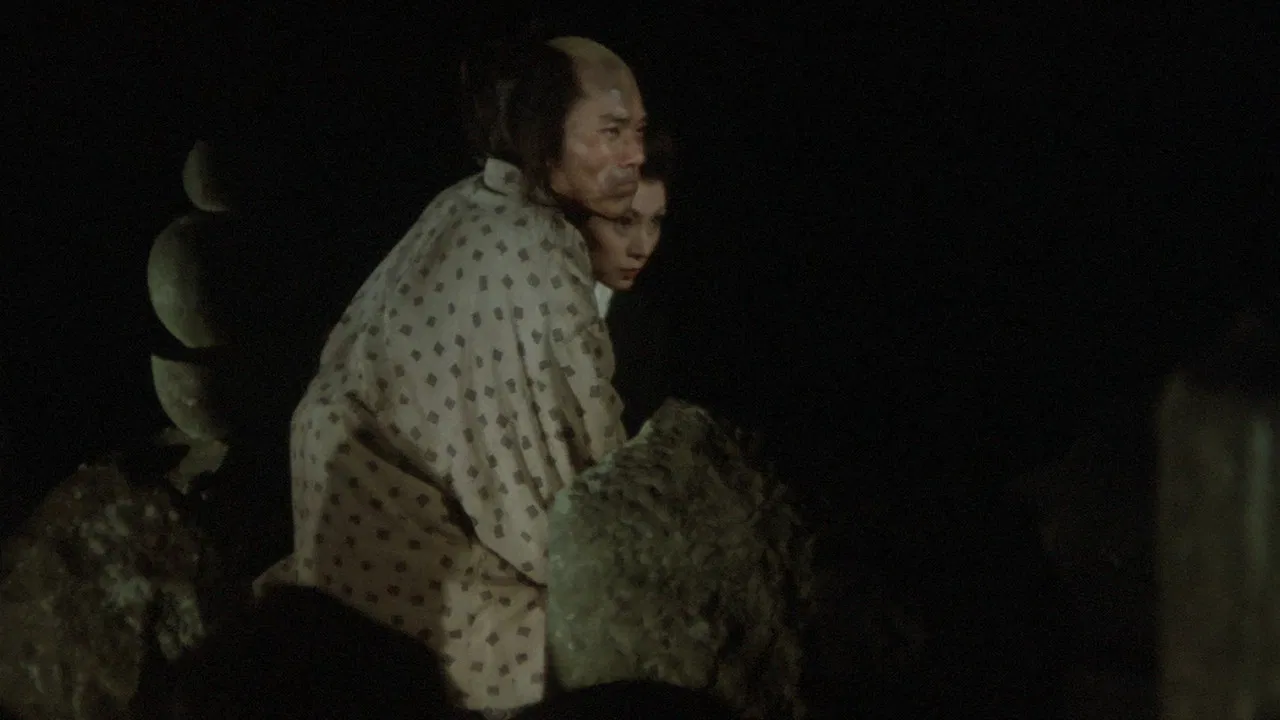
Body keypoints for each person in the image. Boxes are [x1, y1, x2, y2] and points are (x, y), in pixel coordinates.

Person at [253, 35, 647, 716]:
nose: (634, 154)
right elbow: (559, 496)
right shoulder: (533, 248)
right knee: (612, 642)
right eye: (611, 132)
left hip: (337, 523)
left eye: (637, 131)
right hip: (396, 563)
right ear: (545, 133)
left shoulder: (467, 201)